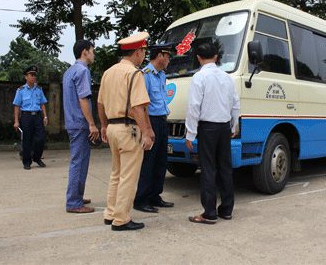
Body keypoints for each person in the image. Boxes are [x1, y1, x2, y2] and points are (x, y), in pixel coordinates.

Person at [97, 32, 155, 231]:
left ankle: (110, 213)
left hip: (112, 128)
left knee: (116, 173)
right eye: (143, 52)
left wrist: (103, 125)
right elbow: (139, 107)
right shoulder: (135, 74)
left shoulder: (108, 72)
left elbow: (100, 104)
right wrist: (146, 133)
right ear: (138, 52)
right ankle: (121, 219)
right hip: (128, 129)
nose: (143, 56)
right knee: (128, 176)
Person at [185, 42, 240, 224]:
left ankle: (209, 213)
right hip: (224, 127)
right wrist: (233, 127)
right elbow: (235, 104)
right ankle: (226, 209)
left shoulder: (199, 77)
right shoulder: (227, 78)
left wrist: (190, 134)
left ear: (198, 58)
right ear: (216, 57)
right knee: (225, 168)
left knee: (208, 169)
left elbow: (194, 107)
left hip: (207, 128)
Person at [133, 43, 175, 213]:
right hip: (151, 121)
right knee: (148, 162)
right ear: (160, 56)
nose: (169, 59)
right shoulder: (146, 75)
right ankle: (141, 199)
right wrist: (146, 129)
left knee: (161, 161)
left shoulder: (162, 76)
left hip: (162, 121)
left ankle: (154, 196)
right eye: (168, 56)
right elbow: (143, 105)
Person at [63, 39, 100, 213]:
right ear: (85, 51)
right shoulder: (83, 71)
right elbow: (83, 98)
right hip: (80, 123)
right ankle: (74, 203)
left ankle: (76, 195)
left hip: (72, 122)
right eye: (92, 50)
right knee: (79, 162)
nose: (93, 54)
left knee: (79, 161)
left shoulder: (69, 71)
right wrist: (92, 123)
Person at [13, 66, 48, 170]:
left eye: (34, 75)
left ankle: (37, 158)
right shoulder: (21, 90)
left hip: (38, 116)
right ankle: (27, 162)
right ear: (26, 77)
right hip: (26, 116)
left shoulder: (39, 90)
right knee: (27, 140)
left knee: (41, 138)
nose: (33, 77)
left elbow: (42, 104)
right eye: (31, 75)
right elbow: (17, 106)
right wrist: (16, 121)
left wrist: (45, 116)